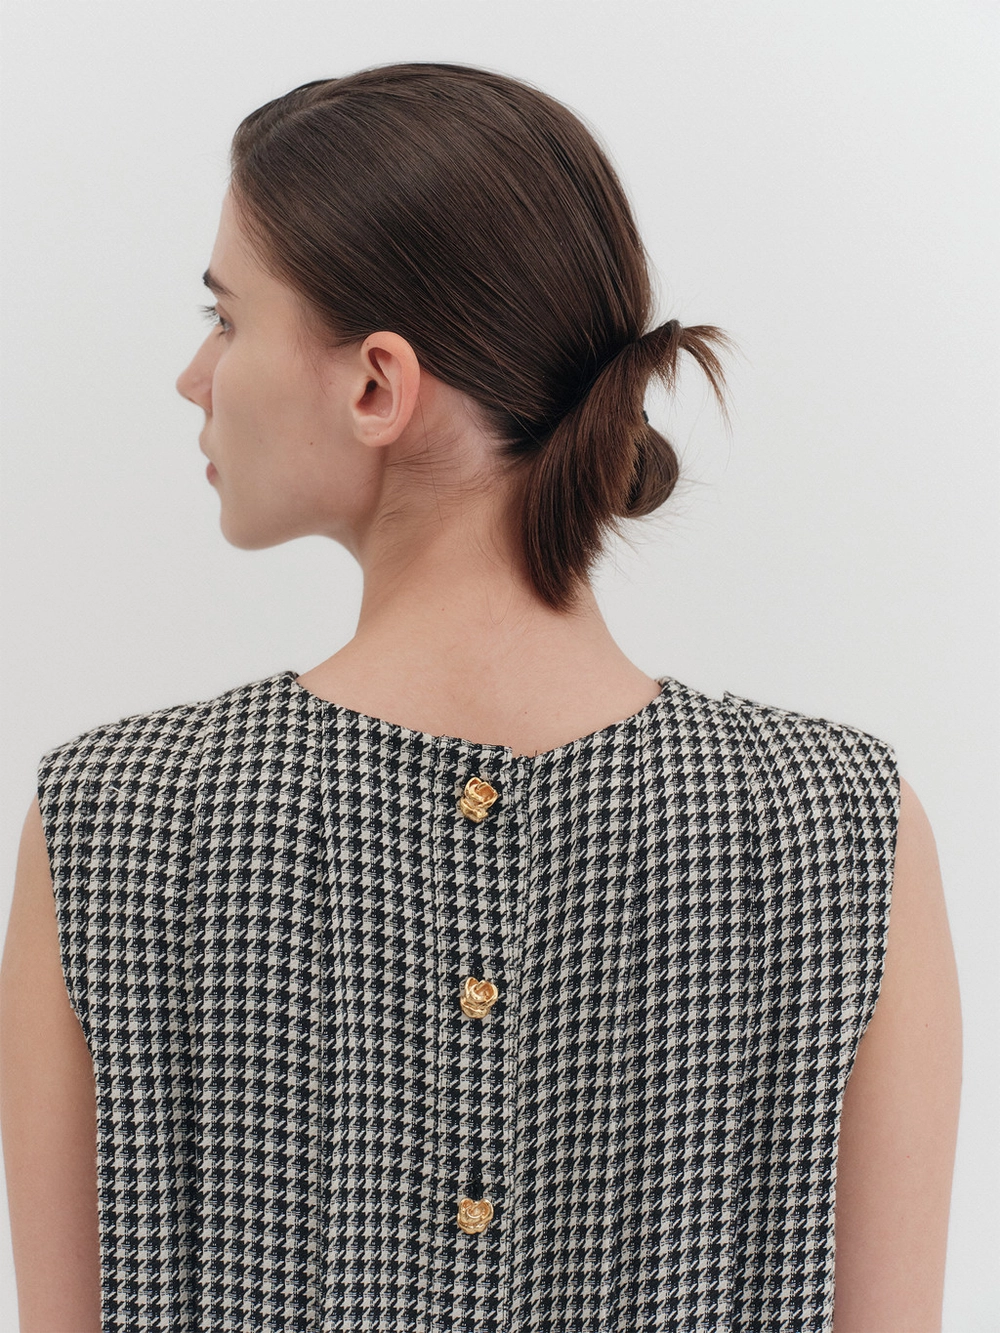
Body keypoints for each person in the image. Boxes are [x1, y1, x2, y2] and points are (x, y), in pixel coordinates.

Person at [0, 61, 960, 1333]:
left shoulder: (118, 824)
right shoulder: (836, 829)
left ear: (376, 386)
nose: (194, 374)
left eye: (225, 318)